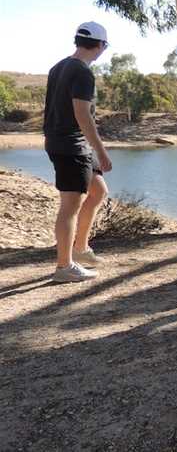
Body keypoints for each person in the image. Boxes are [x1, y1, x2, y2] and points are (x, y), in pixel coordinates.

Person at [44, 22, 112, 282]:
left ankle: (81, 249)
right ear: (100, 45)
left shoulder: (58, 67)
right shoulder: (83, 73)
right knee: (70, 206)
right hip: (71, 146)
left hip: (64, 142)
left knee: (98, 191)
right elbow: (83, 115)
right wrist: (102, 151)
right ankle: (64, 267)